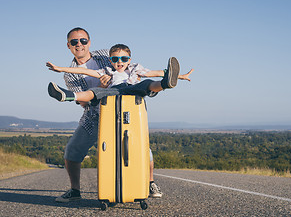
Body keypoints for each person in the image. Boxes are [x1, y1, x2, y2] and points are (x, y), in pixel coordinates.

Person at [51, 28, 188, 202]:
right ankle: (75, 190)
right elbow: (85, 102)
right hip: (95, 114)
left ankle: (150, 182)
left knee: (142, 148)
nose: (79, 44)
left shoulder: (105, 55)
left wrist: (176, 76)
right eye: (74, 42)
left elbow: (136, 68)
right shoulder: (70, 75)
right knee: (72, 150)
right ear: (68, 45)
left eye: (83, 40)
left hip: (126, 108)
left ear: (89, 42)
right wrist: (103, 88)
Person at [46, 44, 193, 103]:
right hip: (114, 91)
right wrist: (61, 68)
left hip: (133, 90)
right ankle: (69, 96)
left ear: (129, 60)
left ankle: (166, 84)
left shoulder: (135, 69)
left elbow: (155, 72)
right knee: (95, 91)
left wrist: (180, 76)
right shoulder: (107, 71)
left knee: (147, 84)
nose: (119, 62)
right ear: (110, 60)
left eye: (124, 59)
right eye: (115, 59)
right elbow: (84, 70)